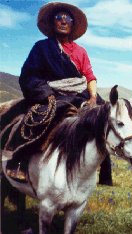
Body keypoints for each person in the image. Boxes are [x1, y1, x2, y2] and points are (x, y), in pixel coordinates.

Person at [2, 2, 112, 185]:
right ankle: (18, 161)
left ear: (72, 24)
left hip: (80, 93)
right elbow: (29, 75)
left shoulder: (80, 51)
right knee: (37, 118)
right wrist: (45, 94)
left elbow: (89, 77)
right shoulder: (41, 48)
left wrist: (93, 96)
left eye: (67, 18)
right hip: (51, 93)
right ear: (53, 23)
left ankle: (104, 169)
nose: (63, 21)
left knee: (106, 118)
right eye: (58, 18)